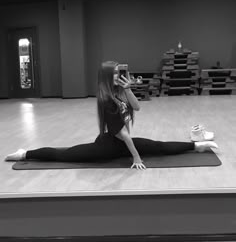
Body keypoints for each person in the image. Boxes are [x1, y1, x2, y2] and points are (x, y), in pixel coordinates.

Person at [5, 61, 218, 170]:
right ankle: (25, 153)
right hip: (107, 145)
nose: (121, 75)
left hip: (122, 142)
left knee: (158, 146)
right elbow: (124, 135)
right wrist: (135, 157)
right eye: (117, 73)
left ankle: (197, 146)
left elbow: (138, 107)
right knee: (67, 155)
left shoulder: (119, 92)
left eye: (121, 72)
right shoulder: (106, 99)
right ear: (108, 77)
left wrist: (128, 88)